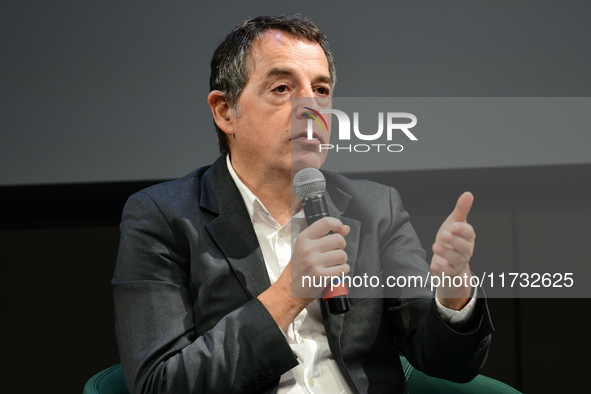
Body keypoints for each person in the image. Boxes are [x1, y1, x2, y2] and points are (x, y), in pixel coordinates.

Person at [113, 14, 493, 394]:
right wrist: (289, 293)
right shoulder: (163, 217)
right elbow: (159, 386)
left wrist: (453, 292)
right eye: (282, 88)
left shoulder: (375, 207)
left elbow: (449, 363)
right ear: (225, 111)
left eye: (322, 90)